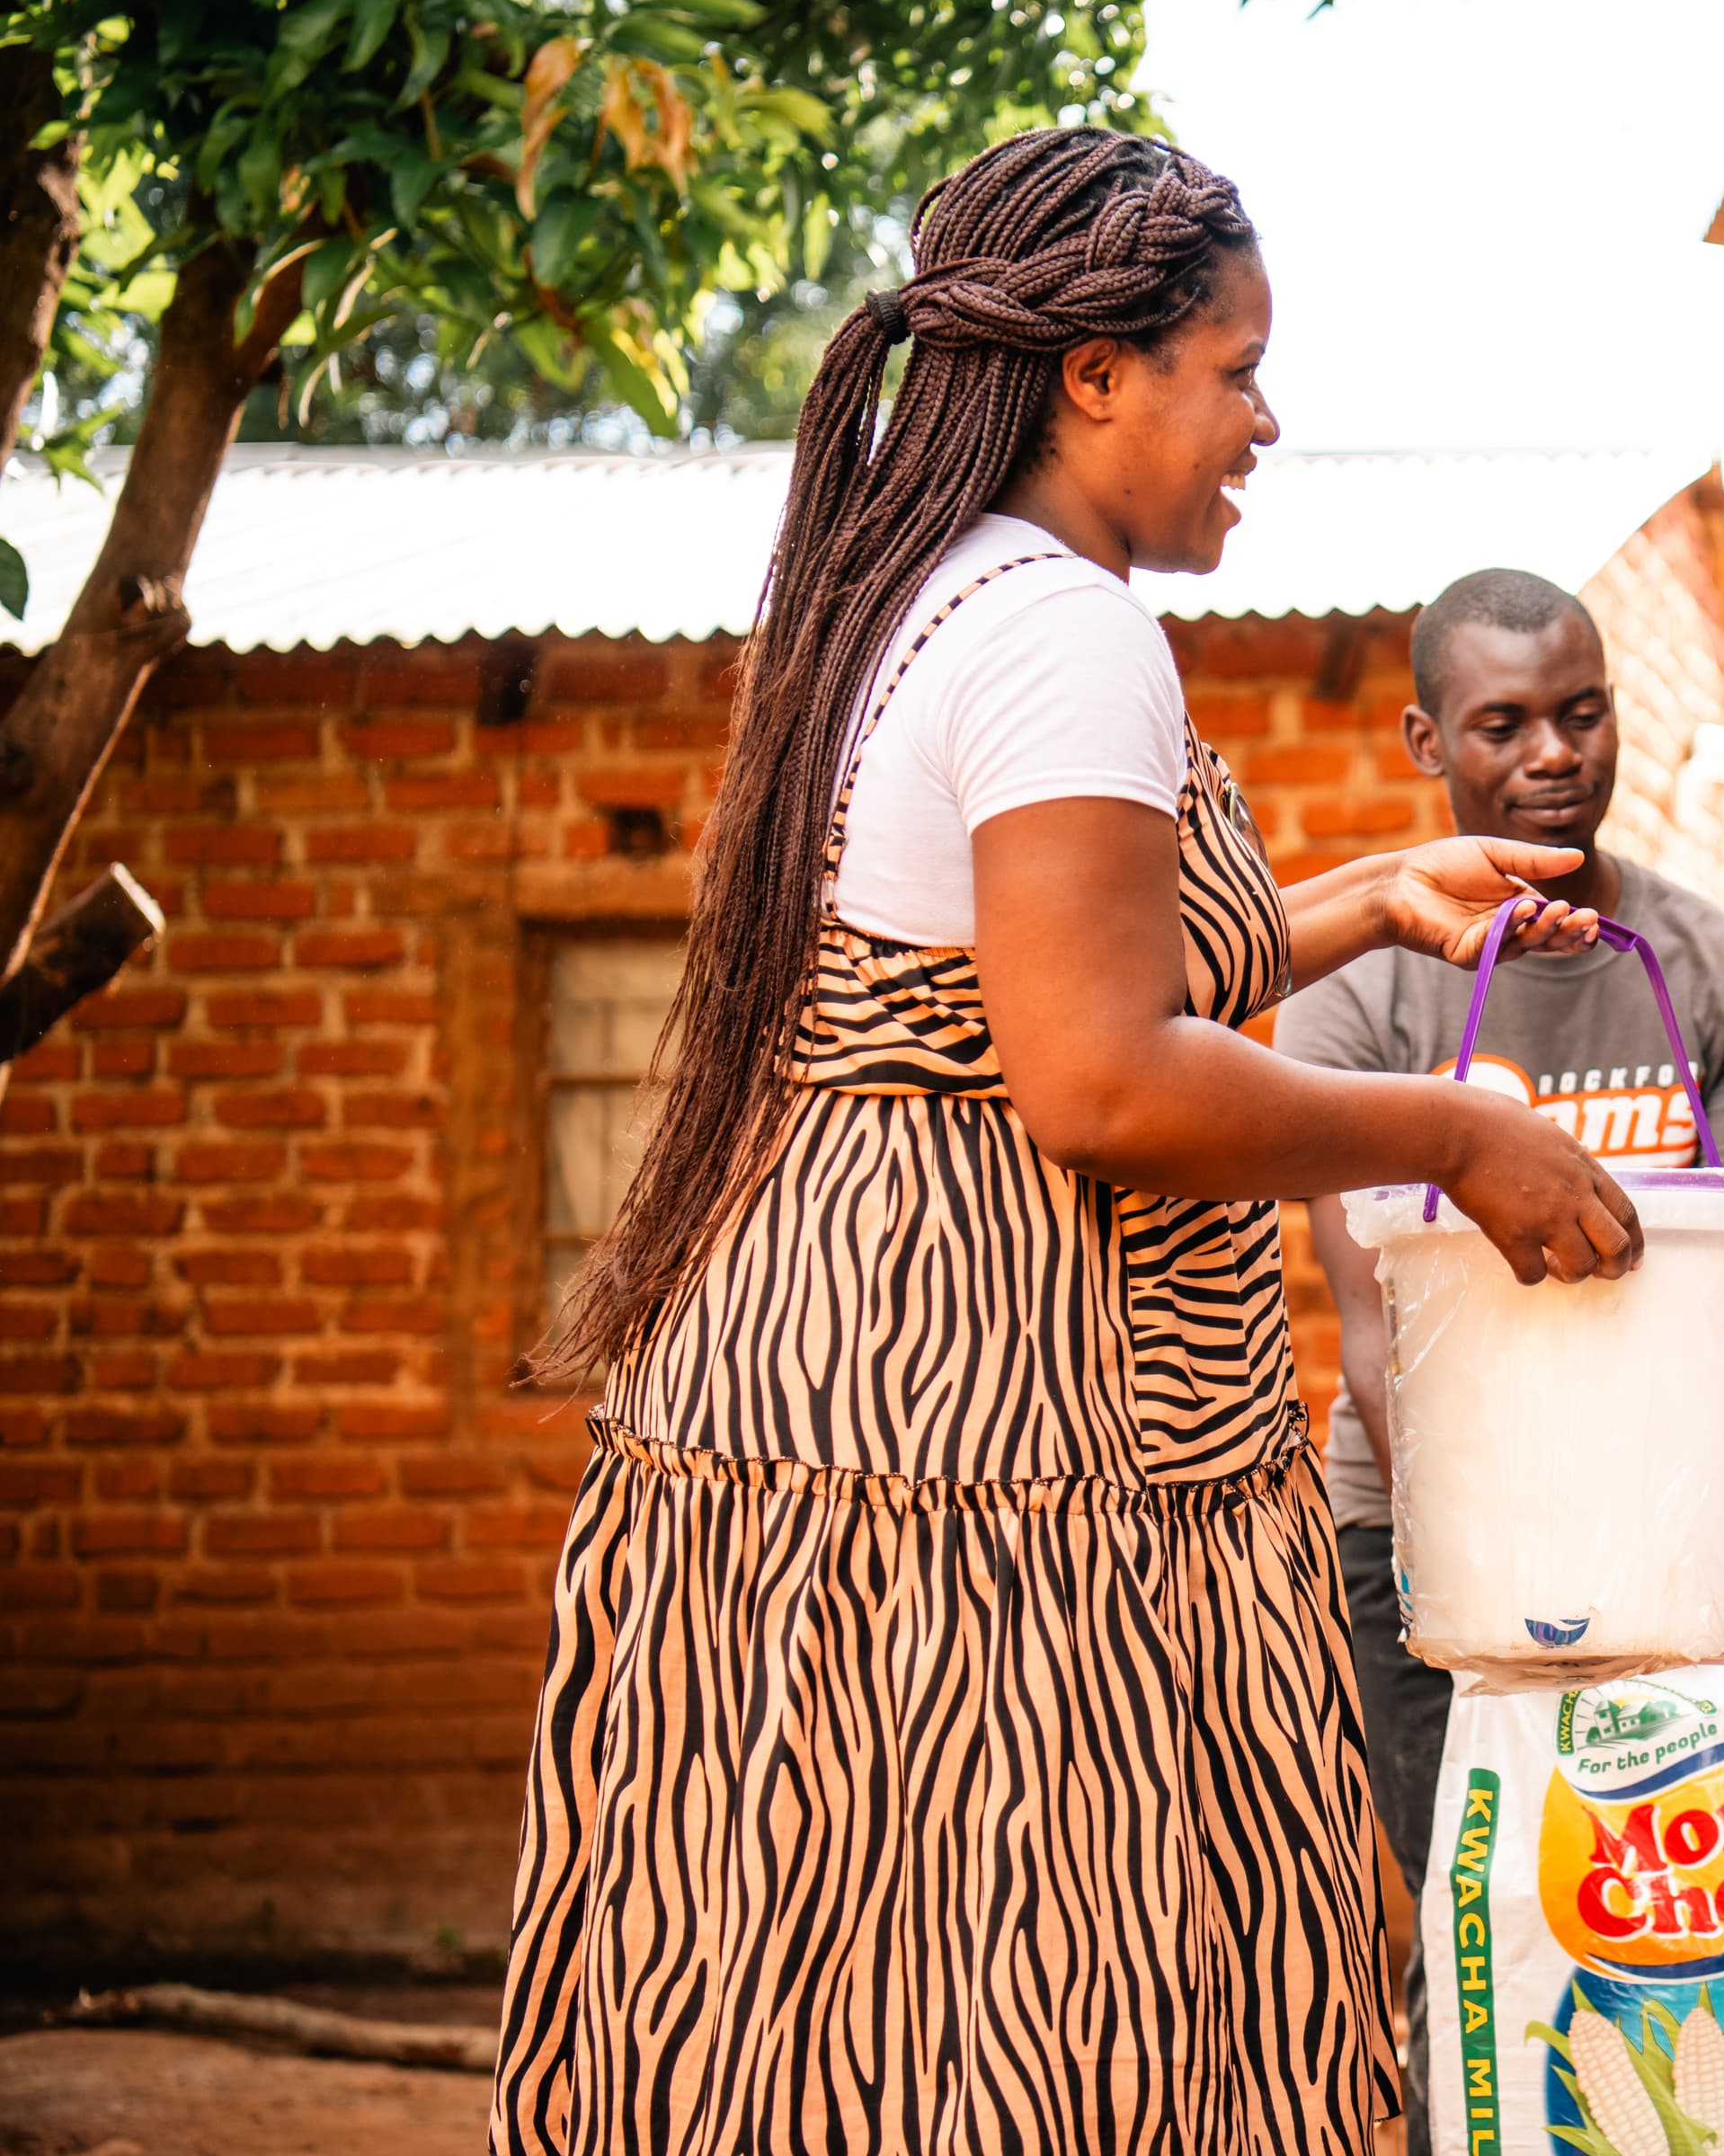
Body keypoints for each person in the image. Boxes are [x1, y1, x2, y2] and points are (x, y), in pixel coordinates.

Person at [493, 129, 1643, 2156]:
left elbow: (995, 995)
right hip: (1000, 1425)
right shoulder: (1064, 632)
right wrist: (1462, 1132)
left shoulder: (927, 599)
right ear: (1095, 375)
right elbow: (1098, 1076)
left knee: (851, 2018)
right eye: (1236, 364)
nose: (1265, 419)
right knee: (1059, 2000)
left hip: (838, 1388)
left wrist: (1372, 896)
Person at [1277, 566, 1724, 2152]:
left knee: (1659, 1934)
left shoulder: (1722, 974)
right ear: (1426, 737)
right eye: (1504, 725)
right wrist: (1500, 1587)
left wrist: (1718, 1565)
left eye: (1583, 712)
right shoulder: (1361, 999)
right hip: (1421, 1553)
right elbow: (1374, 1330)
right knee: (1481, 1916)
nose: (1555, 754)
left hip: (1668, 1557)